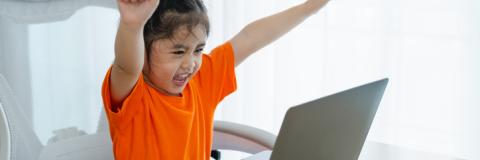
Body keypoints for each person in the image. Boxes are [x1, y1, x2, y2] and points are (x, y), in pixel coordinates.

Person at [101, 0, 330, 159]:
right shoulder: (134, 98)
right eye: (178, 52)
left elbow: (250, 38)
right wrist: (132, 26)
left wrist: (308, 8)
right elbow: (126, 66)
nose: (190, 63)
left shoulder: (201, 80)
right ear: (143, 48)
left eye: (198, 50)